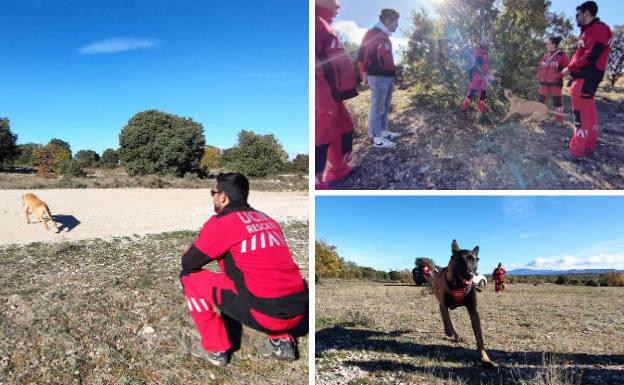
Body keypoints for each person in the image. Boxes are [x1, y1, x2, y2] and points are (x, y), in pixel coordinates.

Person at [179, 173, 308, 367]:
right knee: (262, 277)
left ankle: (215, 349)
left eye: (213, 192)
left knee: (188, 277)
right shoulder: (268, 220)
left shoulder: (222, 222)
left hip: (265, 315)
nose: (213, 197)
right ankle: (282, 341)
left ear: (222, 196)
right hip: (297, 311)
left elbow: (189, 263)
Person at [315, 0, 358, 188]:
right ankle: (316, 182)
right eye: (335, 2)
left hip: (335, 94)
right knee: (321, 135)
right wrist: (321, 99)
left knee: (345, 127)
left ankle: (339, 169)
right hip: (323, 96)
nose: (338, 6)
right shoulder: (313, 22)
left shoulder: (323, 24)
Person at [562, 1, 612, 160]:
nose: (576, 18)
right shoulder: (588, 31)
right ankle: (589, 145)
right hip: (583, 78)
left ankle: (576, 151)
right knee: (589, 112)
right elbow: (581, 54)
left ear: (587, 13)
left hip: (586, 78)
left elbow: (590, 56)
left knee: (580, 115)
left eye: (578, 14)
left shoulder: (599, 30)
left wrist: (569, 68)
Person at [358, 8, 402, 148]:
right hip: (377, 76)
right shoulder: (373, 33)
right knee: (378, 107)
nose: (397, 25)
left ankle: (383, 131)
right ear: (389, 20)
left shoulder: (385, 37)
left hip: (387, 77)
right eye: (396, 21)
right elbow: (362, 54)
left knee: (385, 106)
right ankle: (376, 138)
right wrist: (363, 73)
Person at [537, 36, 570, 124]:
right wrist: (539, 79)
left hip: (555, 83)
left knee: (557, 102)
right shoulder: (546, 56)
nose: (546, 46)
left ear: (554, 45)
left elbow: (568, 68)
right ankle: (540, 118)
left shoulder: (562, 55)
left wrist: (557, 76)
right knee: (541, 101)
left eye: (548, 44)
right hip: (544, 84)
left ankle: (559, 120)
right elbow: (540, 68)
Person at [461, 36, 495, 116]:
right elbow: (477, 63)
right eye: (486, 42)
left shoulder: (486, 53)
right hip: (476, 74)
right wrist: (485, 74)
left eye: (487, 42)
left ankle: (481, 110)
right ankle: (464, 109)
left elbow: (485, 65)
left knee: (483, 94)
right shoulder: (478, 50)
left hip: (484, 76)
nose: (487, 44)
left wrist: (488, 75)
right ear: (482, 42)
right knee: (471, 92)